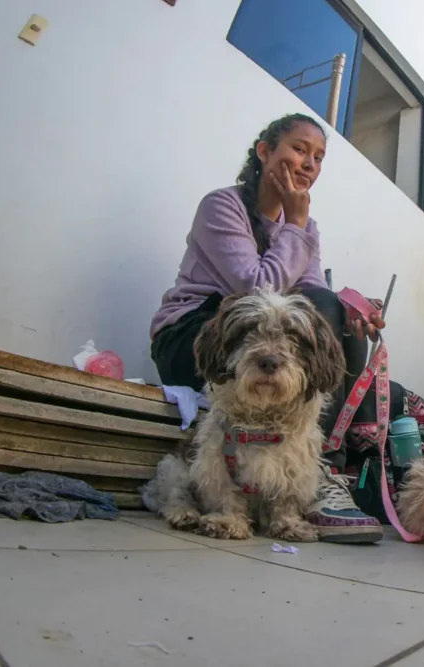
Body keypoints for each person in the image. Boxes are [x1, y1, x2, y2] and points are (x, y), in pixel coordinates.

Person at [149, 113, 385, 543]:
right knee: (310, 308)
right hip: (195, 337)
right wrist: (295, 224)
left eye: (318, 157)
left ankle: (330, 467)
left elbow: (312, 296)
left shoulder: (304, 228)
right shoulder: (222, 206)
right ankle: (319, 479)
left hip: (263, 339)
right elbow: (255, 287)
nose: (309, 164)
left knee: (336, 316)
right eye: (299, 149)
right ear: (264, 152)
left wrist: (353, 309)